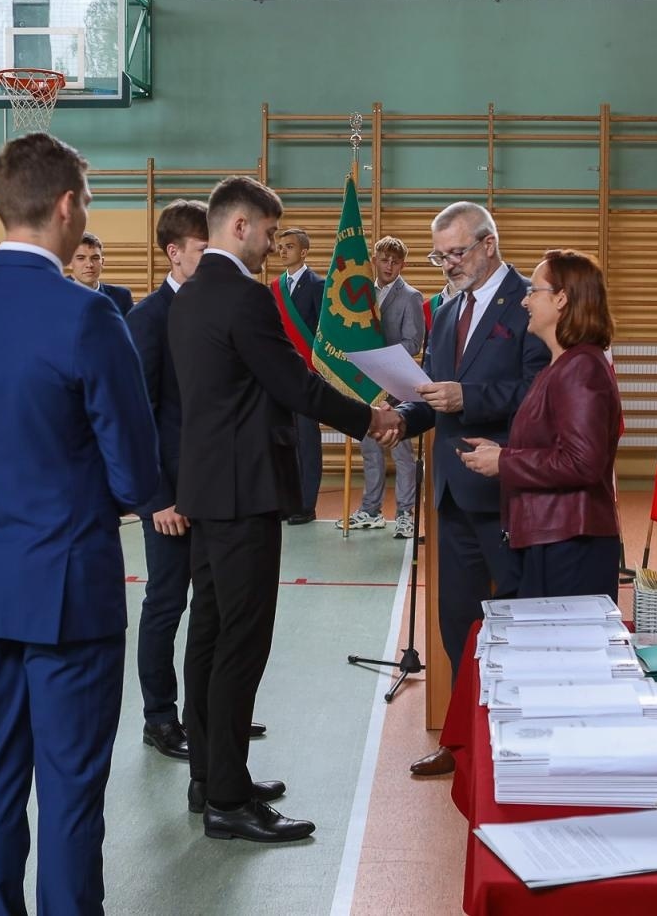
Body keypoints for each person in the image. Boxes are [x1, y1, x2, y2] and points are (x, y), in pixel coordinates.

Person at [0, 132, 160, 915]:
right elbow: (135, 473)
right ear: (66, 206)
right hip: (70, 582)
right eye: (86, 203)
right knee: (69, 787)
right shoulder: (87, 317)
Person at [169, 176, 396, 843]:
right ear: (240, 226)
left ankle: (212, 776)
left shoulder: (188, 296)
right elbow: (295, 387)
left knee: (208, 637)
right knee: (241, 643)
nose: (274, 245)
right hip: (244, 494)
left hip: (207, 489)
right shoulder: (243, 297)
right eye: (270, 232)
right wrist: (373, 420)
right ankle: (229, 802)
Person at [391, 201, 550, 777]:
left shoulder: (532, 301)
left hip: (506, 489)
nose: (446, 265)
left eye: (455, 253)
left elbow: (538, 391)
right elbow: (435, 392)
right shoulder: (446, 308)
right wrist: (401, 418)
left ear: (489, 245)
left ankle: (520, 741)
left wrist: (470, 398)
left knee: (515, 620)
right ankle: (465, 744)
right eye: (439, 255)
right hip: (452, 496)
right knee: (456, 622)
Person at [124, 199, 265, 761]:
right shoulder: (149, 318)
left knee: (215, 609)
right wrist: (157, 497)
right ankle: (160, 716)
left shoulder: (217, 306)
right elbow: (136, 416)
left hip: (216, 492)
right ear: (173, 252)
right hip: (171, 496)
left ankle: (209, 717)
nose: (212, 260)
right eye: (203, 251)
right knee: (166, 603)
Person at [459, 250, 623, 600]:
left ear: (562, 298)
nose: (525, 301)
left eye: (534, 291)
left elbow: (582, 463)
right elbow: (555, 447)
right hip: (551, 536)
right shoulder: (561, 365)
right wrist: (502, 452)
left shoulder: (581, 368)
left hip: (569, 544)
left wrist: (504, 462)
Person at [344, 236, 426, 539]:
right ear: (374, 260)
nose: (389, 265)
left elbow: (413, 342)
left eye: (395, 261)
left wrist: (381, 358)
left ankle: (405, 513)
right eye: (384, 259)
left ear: (402, 264)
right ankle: (371, 509)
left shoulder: (411, 297)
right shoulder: (361, 295)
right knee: (370, 450)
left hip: (394, 384)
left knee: (401, 452)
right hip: (365, 385)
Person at [270, 227, 325, 524]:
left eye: (289, 246)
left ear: (303, 251)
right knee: (282, 440)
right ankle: (286, 501)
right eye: (280, 246)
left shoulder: (318, 285)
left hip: (305, 375)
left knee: (306, 441)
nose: (282, 251)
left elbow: (321, 332)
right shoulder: (274, 287)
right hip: (279, 375)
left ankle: (306, 504)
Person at [69, 231, 135, 316]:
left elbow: (131, 329)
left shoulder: (121, 297)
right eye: (81, 258)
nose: (90, 265)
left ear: (102, 262)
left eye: (95, 258)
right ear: (70, 263)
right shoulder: (57, 295)